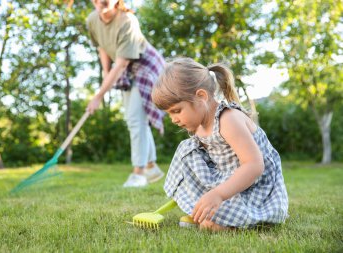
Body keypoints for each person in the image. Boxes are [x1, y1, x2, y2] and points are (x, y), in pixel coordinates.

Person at [151, 57, 288, 231]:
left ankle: (237, 222)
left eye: (176, 111)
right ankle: (201, 209)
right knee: (187, 150)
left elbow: (255, 165)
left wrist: (218, 194)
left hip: (256, 187)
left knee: (210, 222)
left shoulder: (228, 119)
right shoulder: (200, 126)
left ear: (201, 96)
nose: (173, 119)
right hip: (229, 182)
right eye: (169, 114)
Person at [86, 0, 165, 187]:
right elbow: (102, 47)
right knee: (134, 120)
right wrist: (106, 75)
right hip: (126, 69)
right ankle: (151, 167)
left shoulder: (127, 21)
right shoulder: (92, 20)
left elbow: (121, 63)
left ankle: (139, 174)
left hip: (146, 66)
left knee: (136, 120)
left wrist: (99, 96)